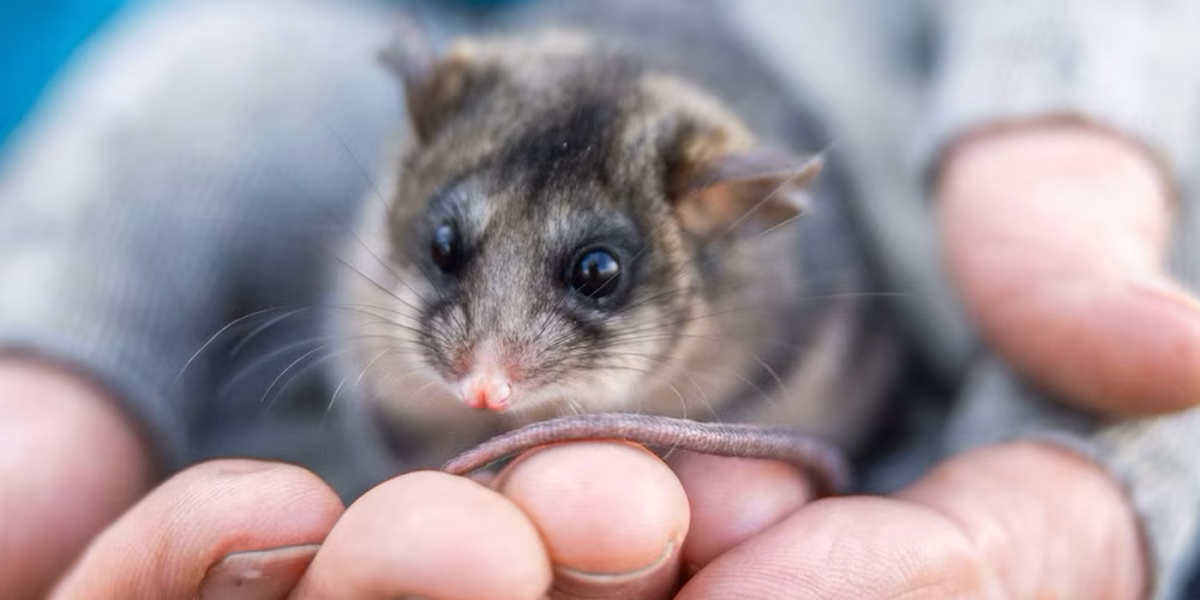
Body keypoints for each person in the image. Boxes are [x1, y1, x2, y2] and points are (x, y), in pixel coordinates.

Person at [3, 0, 1200, 597]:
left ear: (710, 220)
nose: (487, 369)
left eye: (591, 278)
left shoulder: (774, 247)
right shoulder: (415, 142)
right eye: (451, 254)